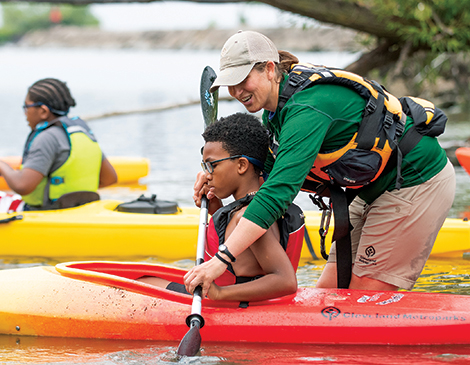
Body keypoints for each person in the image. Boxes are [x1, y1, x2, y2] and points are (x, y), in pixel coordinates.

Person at [185, 30, 455, 295]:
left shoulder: (307, 109)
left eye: (242, 79)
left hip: (414, 179)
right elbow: (260, 180)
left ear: (269, 69)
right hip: (369, 190)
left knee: (363, 299)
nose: (235, 91)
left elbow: (277, 193)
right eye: (229, 84)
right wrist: (216, 187)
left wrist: (219, 261)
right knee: (329, 294)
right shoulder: (273, 113)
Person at [139, 112, 305, 302]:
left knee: (145, 282)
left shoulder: (249, 218)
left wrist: (219, 294)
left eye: (212, 166)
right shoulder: (253, 209)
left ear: (242, 165)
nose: (206, 175)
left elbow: (285, 281)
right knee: (145, 279)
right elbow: (242, 253)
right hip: (233, 299)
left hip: (232, 306)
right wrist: (217, 209)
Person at [0, 78, 117, 211]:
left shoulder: (47, 138)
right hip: (80, 210)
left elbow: (22, 186)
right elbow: (109, 179)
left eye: (27, 107)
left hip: (46, 212)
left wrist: (3, 167)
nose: (25, 113)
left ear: (43, 111)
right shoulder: (82, 133)